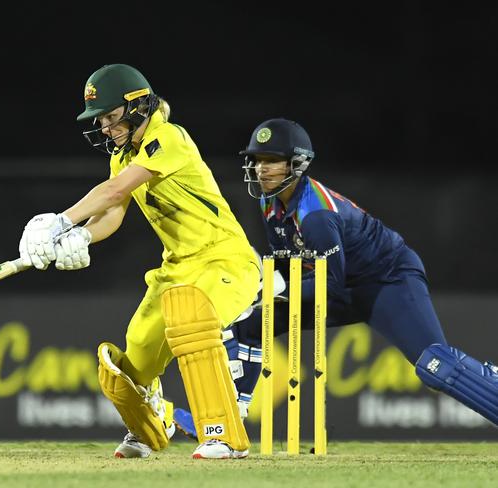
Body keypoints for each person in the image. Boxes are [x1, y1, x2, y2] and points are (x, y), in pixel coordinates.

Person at [173, 117, 498, 439]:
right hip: (341, 283)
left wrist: (277, 288)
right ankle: (225, 420)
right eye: (257, 160)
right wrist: (266, 287)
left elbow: (330, 283)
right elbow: (290, 264)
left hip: (387, 280)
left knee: (433, 366)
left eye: (272, 161)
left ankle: (490, 381)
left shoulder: (315, 216)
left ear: (296, 164)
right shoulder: (268, 202)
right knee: (248, 324)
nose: (261, 169)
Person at [17, 64, 260, 459]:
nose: (106, 128)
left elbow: (114, 191)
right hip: (177, 266)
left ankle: (223, 436)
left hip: (226, 260)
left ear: (138, 106)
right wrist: (81, 236)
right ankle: (150, 427)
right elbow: (113, 212)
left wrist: (62, 220)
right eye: (101, 120)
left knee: (192, 319)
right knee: (135, 357)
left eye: (112, 117)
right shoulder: (124, 155)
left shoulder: (171, 138)